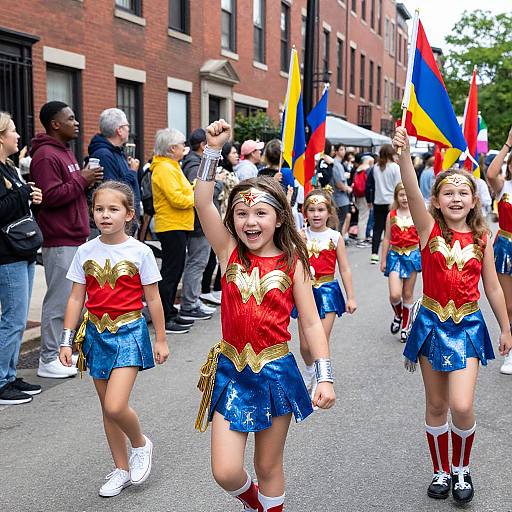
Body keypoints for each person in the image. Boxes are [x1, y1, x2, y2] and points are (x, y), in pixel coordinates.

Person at [194, 119, 335, 512]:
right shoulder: (228, 253)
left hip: (275, 372)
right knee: (225, 471)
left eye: (260, 213)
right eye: (241, 213)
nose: (250, 222)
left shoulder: (294, 263)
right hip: (231, 370)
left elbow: (309, 322)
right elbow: (202, 202)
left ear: (278, 218)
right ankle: (257, 505)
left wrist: (323, 376)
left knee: (267, 464)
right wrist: (211, 150)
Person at [394, 127, 512, 504]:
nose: (456, 198)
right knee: (436, 405)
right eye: (449, 193)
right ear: (437, 200)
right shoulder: (429, 231)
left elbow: (492, 287)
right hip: (431, 325)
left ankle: (462, 468)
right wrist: (404, 155)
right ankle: (441, 470)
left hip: (468, 326)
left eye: (463, 193)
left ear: (474, 201)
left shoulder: (483, 239)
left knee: (461, 405)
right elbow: (411, 190)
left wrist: (506, 327)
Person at [59, 181, 169, 497]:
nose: (105, 215)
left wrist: (160, 339)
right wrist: (67, 340)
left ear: (129, 214)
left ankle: (140, 443)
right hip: (95, 335)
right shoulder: (85, 251)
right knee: (107, 409)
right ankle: (121, 468)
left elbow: (155, 299)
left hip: (129, 333)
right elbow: (75, 299)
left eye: (113, 209)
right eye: (99, 209)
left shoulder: (140, 251)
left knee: (116, 404)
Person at [30, 101, 103, 378]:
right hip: (59, 239)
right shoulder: (46, 156)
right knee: (60, 301)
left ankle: (63, 352)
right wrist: (81, 180)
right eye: (71, 118)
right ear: (55, 124)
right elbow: (49, 197)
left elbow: (69, 191)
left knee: (75, 300)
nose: (77, 123)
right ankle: (48, 358)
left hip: (75, 236)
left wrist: (86, 181)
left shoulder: (65, 153)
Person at [291, 189, 356, 396]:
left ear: (329, 213)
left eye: (320, 209)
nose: (316, 214)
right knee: (304, 346)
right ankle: (310, 369)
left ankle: (321, 381)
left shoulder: (335, 237)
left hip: (328, 292)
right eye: (311, 210)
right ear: (305, 213)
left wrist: (351, 296)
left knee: (320, 340)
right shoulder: (300, 236)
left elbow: (344, 268)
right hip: (304, 292)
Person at [0, 112, 43, 404]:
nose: (18, 135)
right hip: (6, 254)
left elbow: (16, 207)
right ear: (1, 136)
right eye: (13, 130)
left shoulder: (10, 167)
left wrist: (31, 198)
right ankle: (2, 382)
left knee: (16, 318)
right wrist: (23, 192)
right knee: (13, 320)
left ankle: (10, 376)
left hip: (22, 249)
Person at [150, 128, 195, 334]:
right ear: (171, 148)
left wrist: (192, 191)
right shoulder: (164, 169)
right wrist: (197, 197)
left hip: (178, 224)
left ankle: (170, 311)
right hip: (171, 224)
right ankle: (165, 316)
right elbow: (177, 199)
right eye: (181, 144)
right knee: (170, 271)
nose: (184, 147)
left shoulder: (172, 166)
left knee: (175, 269)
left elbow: (182, 192)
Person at [180, 128, 215, 320]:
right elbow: (199, 190)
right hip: (198, 223)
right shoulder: (194, 164)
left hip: (199, 222)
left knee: (198, 262)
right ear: (203, 145)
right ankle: (190, 304)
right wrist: (217, 184)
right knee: (197, 262)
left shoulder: (193, 162)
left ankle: (193, 301)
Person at [380, 182, 421, 342]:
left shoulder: (417, 214)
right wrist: (383, 259)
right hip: (395, 256)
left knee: (408, 294)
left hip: (412, 256)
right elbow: (387, 238)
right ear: (397, 196)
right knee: (395, 294)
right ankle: (398, 314)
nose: (404, 198)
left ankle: (406, 326)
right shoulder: (391, 215)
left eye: (406, 194)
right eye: (401, 195)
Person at [486, 125, 512, 374]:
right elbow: (491, 172)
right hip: (505, 247)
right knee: (508, 303)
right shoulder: (504, 186)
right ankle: (510, 350)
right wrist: (507, 145)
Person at [201, 142, 240, 306]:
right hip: (222, 218)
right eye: (233, 152)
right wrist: (212, 150)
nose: (236, 155)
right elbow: (203, 202)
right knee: (216, 257)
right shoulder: (220, 173)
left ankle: (218, 287)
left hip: (233, 219)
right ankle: (210, 289)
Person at [88, 108, 141, 220]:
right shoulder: (104, 155)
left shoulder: (116, 152)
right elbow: (112, 190)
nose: (129, 129)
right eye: (127, 126)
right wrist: (132, 172)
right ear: (119, 130)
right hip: (116, 223)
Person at [370, 144, 401, 264]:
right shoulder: (394, 167)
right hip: (391, 201)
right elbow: (398, 185)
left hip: (378, 200)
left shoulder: (376, 167)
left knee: (377, 228)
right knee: (391, 229)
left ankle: (374, 254)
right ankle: (390, 253)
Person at [331, 143, 352, 240]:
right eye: (341, 149)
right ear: (336, 151)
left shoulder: (339, 164)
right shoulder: (336, 164)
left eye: (344, 149)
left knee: (340, 223)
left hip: (341, 198)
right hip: (339, 199)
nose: (343, 151)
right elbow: (339, 183)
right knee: (338, 224)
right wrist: (347, 188)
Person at [352, 155, 374, 247]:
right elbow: (369, 185)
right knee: (363, 218)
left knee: (362, 217)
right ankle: (361, 239)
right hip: (365, 196)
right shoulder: (368, 170)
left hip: (358, 195)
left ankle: (362, 238)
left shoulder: (358, 169)